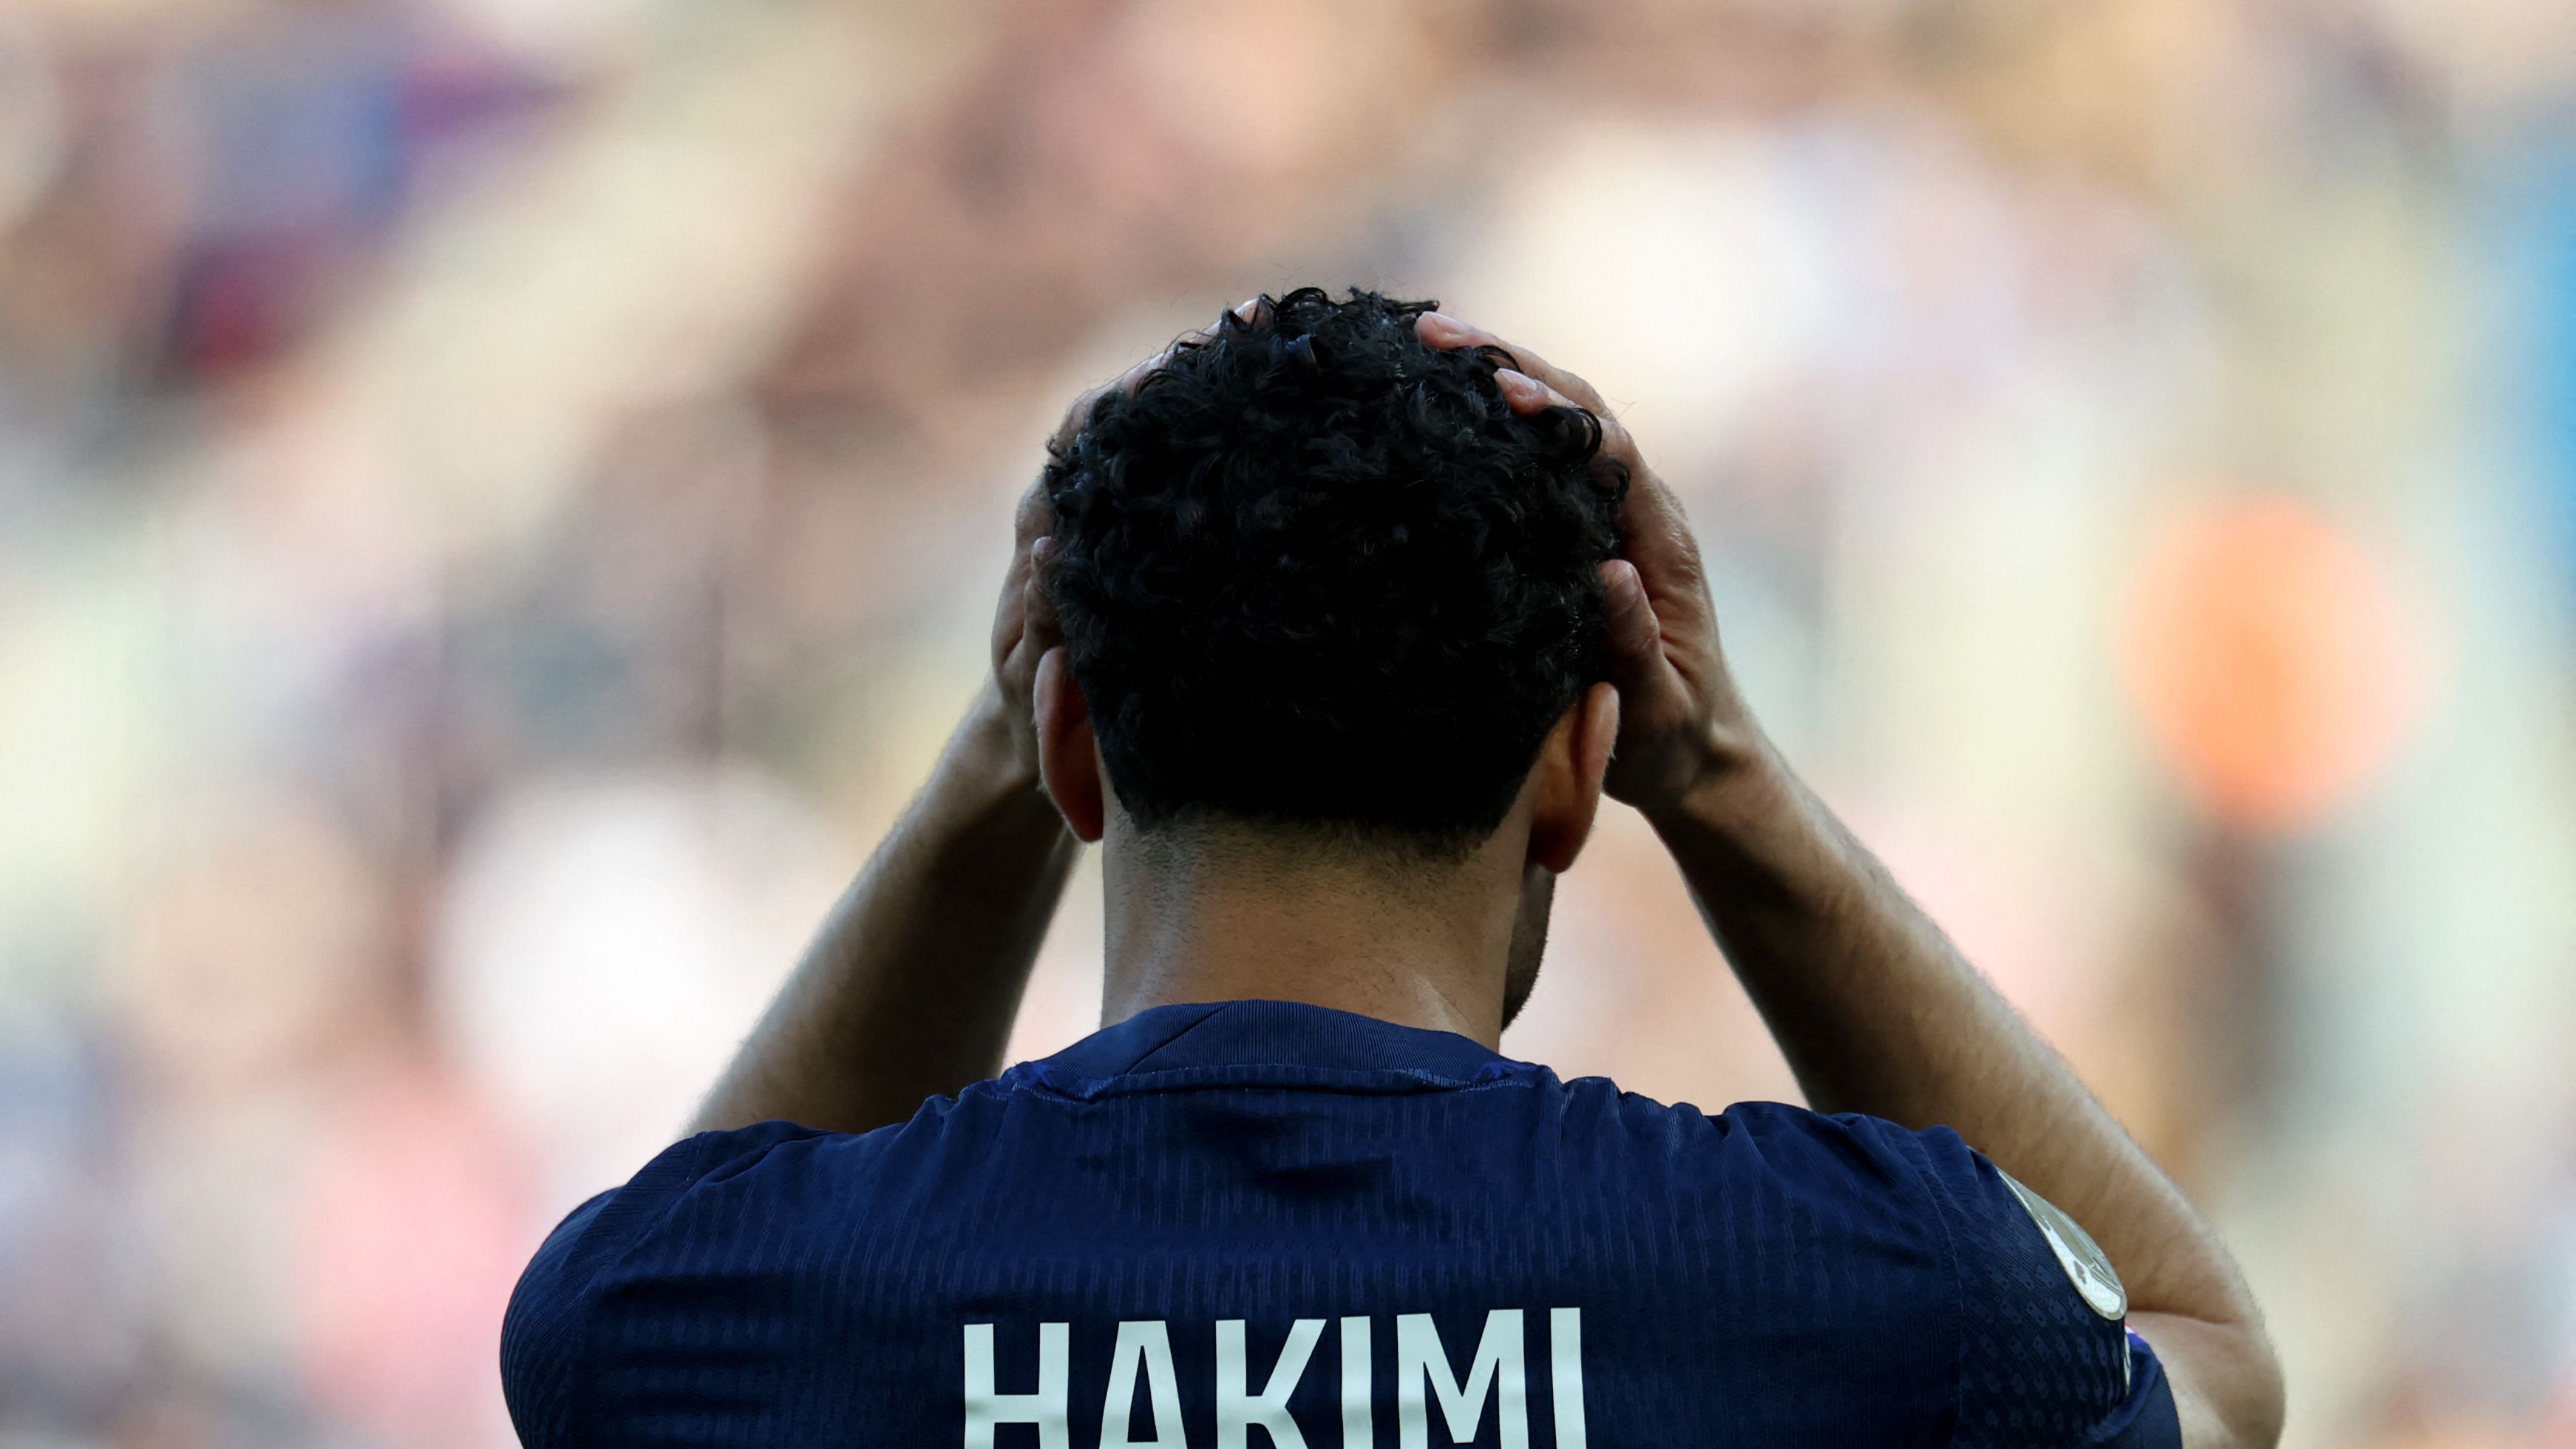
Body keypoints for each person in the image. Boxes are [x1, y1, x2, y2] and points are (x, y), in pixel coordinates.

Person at [499, 289, 2285, 1448]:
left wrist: (1003, 749)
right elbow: (2203, 1344)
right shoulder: (1849, 1277)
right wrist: (1720, 771)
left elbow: (650, 1301)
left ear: (1071, 746)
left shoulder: (730, 1309)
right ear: (1578, 774)